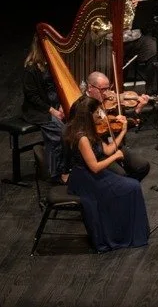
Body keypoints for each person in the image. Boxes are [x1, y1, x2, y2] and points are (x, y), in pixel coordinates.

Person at [60, 97, 149, 251]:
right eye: (96, 112)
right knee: (132, 187)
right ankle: (122, 234)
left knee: (131, 186)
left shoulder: (90, 131)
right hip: (86, 178)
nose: (100, 115)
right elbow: (94, 167)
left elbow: (107, 150)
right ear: (88, 115)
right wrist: (116, 156)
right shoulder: (82, 138)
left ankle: (127, 230)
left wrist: (123, 132)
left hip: (93, 175)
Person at [100, 0, 158, 96]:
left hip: (135, 39)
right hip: (111, 42)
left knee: (156, 52)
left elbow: (149, 19)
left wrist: (143, 8)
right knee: (105, 64)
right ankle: (114, 96)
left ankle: (152, 95)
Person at [83, 72, 150, 181]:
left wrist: (137, 110)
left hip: (114, 143)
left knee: (143, 166)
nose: (106, 93)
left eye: (107, 89)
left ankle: (127, 190)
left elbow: (119, 125)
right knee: (121, 176)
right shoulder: (84, 106)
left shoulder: (108, 103)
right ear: (90, 87)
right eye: (102, 89)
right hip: (98, 151)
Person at [21, 39, 66, 179]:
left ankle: (57, 169)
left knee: (74, 125)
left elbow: (59, 87)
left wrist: (61, 105)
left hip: (56, 107)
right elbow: (32, 97)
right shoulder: (31, 68)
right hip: (38, 110)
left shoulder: (53, 63)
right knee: (61, 132)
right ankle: (58, 172)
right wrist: (52, 110)